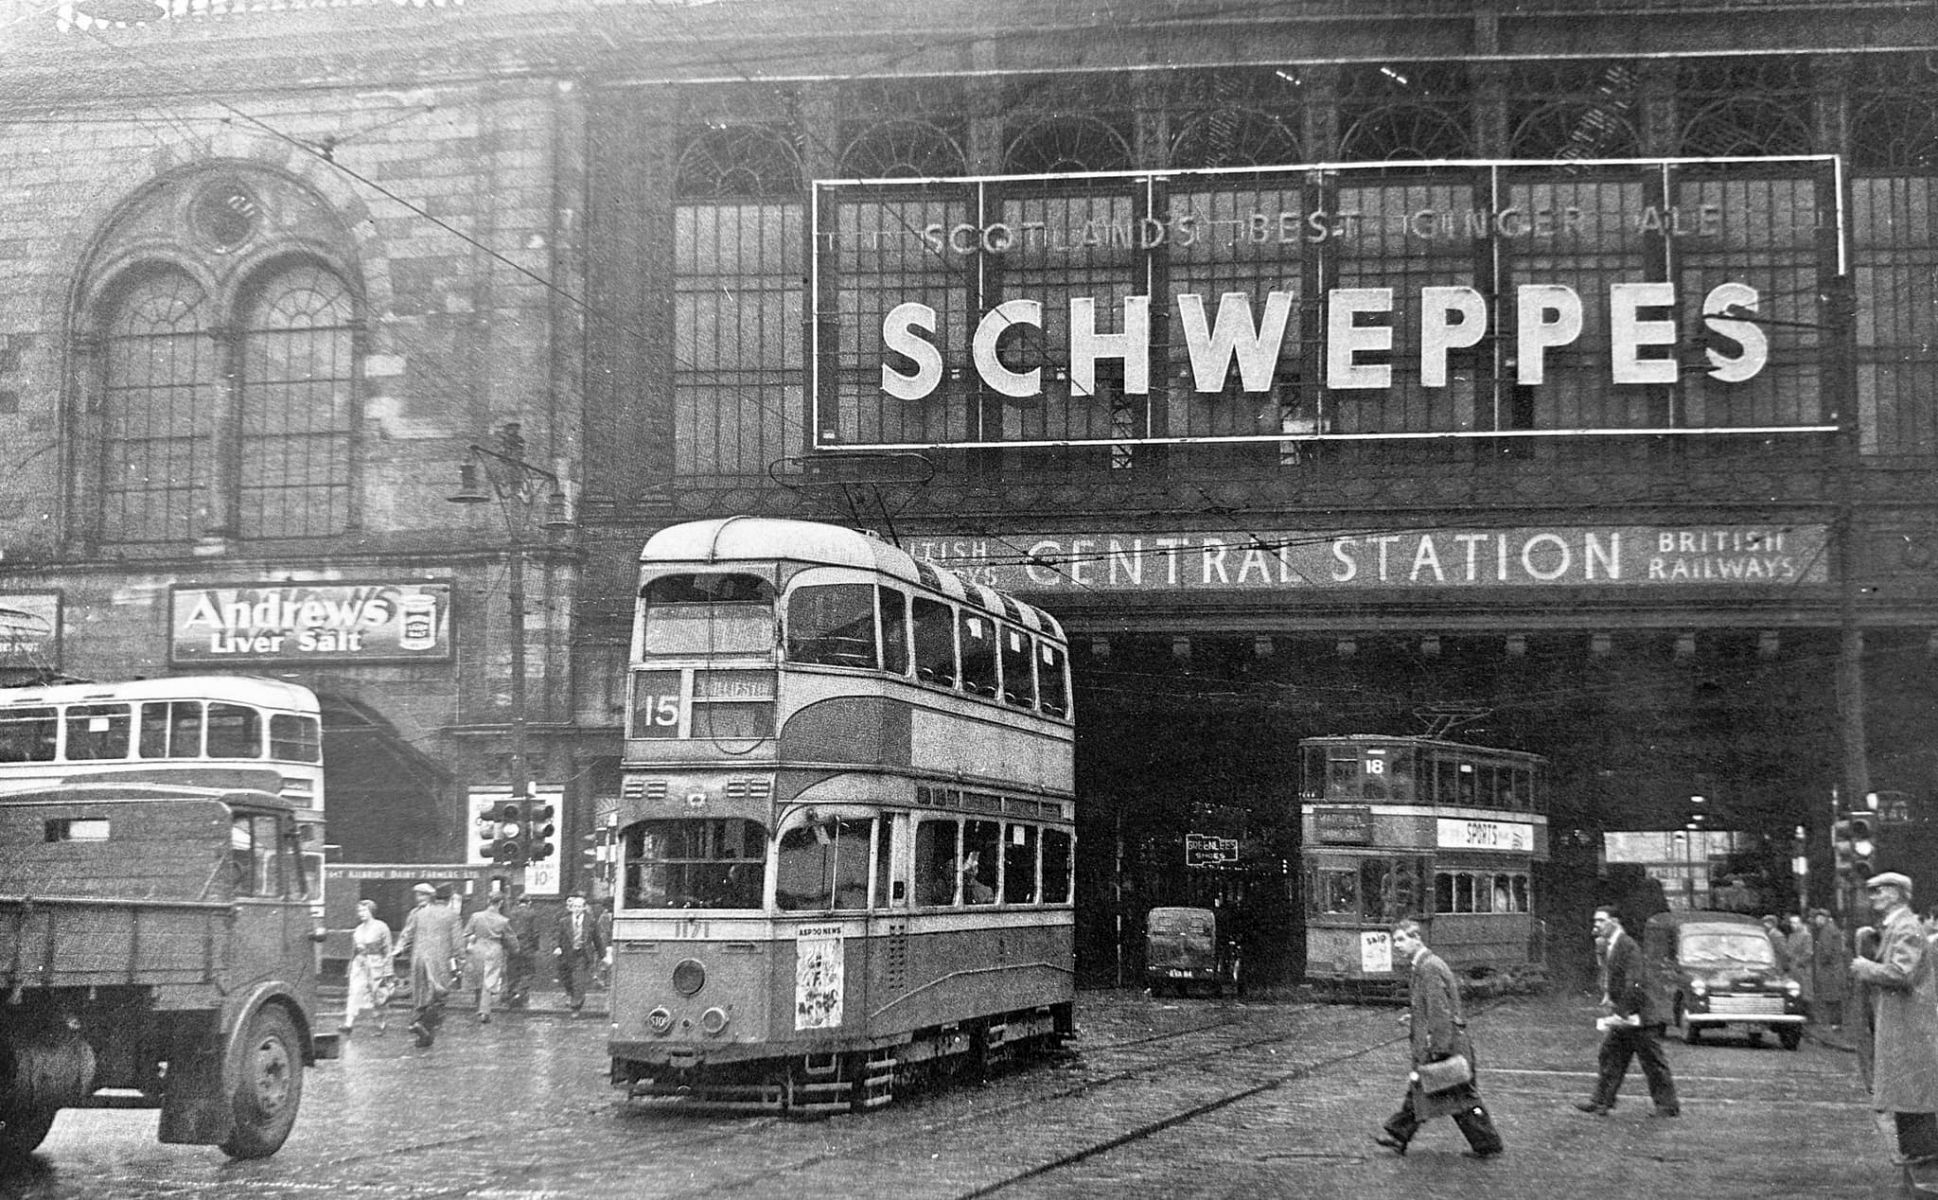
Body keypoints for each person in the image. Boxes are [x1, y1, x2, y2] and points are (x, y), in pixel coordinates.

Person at [1371, 917, 1504, 1159]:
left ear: (1416, 939)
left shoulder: (1429, 968)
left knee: (1457, 1095)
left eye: (1401, 940)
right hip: (1445, 1043)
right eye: (1395, 941)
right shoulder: (1423, 965)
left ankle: (1488, 1144)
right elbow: (1432, 1007)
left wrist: (1439, 1050)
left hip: (1446, 1045)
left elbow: (1440, 1012)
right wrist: (1414, 1017)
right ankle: (1398, 1135)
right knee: (1436, 1092)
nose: (1396, 946)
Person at [1848, 872, 1938, 1167]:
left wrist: (1866, 967)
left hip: (1909, 1022)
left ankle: (1922, 1150)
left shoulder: (1906, 928)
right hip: (1903, 1020)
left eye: (1880, 891)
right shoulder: (1898, 926)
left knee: (1911, 1085)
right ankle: (1916, 1149)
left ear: (1898, 894)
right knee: (1907, 1086)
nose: (1873, 896)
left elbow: (1902, 973)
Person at [1577, 906, 1680, 1118]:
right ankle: (1601, 1101)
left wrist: (1622, 1013)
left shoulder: (1628, 946)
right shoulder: (1611, 945)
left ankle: (1668, 1106)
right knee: (1609, 1055)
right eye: (1595, 921)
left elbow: (1634, 982)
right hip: (1626, 1016)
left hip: (1639, 1016)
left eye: (1601, 921)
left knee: (1652, 1062)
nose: (1596, 925)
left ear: (1615, 921)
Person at [393, 881, 462, 1048]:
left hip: (418, 959)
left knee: (421, 995)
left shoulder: (419, 914)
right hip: (439, 962)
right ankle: (423, 1026)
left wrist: (397, 950)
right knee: (439, 997)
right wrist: (460, 963)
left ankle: (421, 1031)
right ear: (450, 898)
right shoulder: (452, 915)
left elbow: (407, 934)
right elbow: (458, 943)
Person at [342, 898, 393, 1037]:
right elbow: (354, 950)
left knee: (378, 995)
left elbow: (388, 950)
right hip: (359, 963)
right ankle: (348, 1023)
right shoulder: (358, 929)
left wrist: (388, 971)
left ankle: (380, 1025)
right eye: (359, 911)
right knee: (355, 991)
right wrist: (350, 966)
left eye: (364, 910)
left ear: (371, 911)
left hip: (376, 963)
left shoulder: (381, 927)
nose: (361, 913)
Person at [553, 892, 607, 1017]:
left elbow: (597, 938)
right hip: (567, 954)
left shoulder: (590, 921)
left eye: (579, 907)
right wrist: (557, 947)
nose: (577, 909)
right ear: (571, 908)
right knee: (567, 980)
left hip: (582, 954)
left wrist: (602, 954)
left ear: (583, 907)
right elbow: (558, 936)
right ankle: (573, 995)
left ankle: (576, 1007)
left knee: (578, 980)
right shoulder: (564, 921)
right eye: (574, 907)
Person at [464, 895, 513, 1023]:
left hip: (478, 947)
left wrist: (472, 940)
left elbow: (467, 933)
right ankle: (484, 1011)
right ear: (501, 903)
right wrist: (515, 949)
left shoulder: (476, 916)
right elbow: (510, 938)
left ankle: (478, 1005)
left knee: (479, 977)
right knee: (489, 980)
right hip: (494, 948)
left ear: (488, 901)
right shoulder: (503, 920)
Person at [1810, 908, 1848, 1029]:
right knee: (1834, 997)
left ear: (1822, 918)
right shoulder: (1833, 928)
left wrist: (1821, 963)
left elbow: (1826, 952)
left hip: (1830, 970)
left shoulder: (1826, 931)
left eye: (1817, 918)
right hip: (1835, 968)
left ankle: (1834, 1023)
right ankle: (1835, 1022)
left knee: (1831, 997)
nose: (1816, 921)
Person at [504, 888, 540, 1010]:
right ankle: (520, 992)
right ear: (529, 902)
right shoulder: (532, 913)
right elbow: (535, 932)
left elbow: (506, 931)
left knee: (513, 971)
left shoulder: (510, 913)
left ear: (518, 902)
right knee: (528, 971)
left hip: (513, 945)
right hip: (527, 945)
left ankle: (512, 993)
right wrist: (535, 946)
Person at [1782, 913, 1815, 1019]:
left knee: (1805, 992)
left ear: (1800, 923)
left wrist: (1799, 962)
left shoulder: (1806, 936)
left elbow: (1808, 953)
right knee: (1794, 991)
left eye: (1796, 923)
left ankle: (1808, 1014)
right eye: (1792, 923)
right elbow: (1787, 950)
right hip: (1793, 968)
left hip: (1802, 969)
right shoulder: (1791, 936)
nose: (1793, 925)